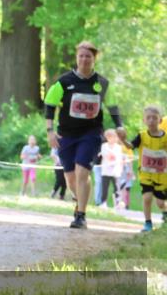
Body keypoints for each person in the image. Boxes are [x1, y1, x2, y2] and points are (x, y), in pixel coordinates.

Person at [44, 41, 126, 229]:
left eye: (88, 56)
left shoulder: (102, 83)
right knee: (70, 178)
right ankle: (77, 199)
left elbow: (112, 106)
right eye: (81, 55)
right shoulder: (64, 82)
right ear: (76, 58)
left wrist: (119, 125)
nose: (84, 59)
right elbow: (49, 105)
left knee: (82, 172)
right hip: (66, 135)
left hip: (91, 133)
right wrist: (50, 132)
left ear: (94, 58)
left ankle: (81, 216)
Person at [128, 106, 167, 232]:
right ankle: (148, 223)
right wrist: (123, 139)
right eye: (148, 118)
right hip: (146, 174)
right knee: (147, 197)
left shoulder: (166, 137)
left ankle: (165, 213)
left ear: (160, 121)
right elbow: (130, 146)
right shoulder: (142, 136)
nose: (151, 120)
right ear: (144, 120)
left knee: (160, 203)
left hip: (162, 176)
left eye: (154, 118)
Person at [97, 129, 124, 208]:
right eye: (111, 137)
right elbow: (105, 155)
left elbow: (119, 157)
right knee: (105, 187)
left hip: (115, 171)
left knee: (117, 187)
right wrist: (110, 155)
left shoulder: (119, 147)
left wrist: (120, 166)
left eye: (115, 137)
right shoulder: (104, 146)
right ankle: (103, 202)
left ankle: (118, 202)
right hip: (105, 170)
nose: (114, 139)